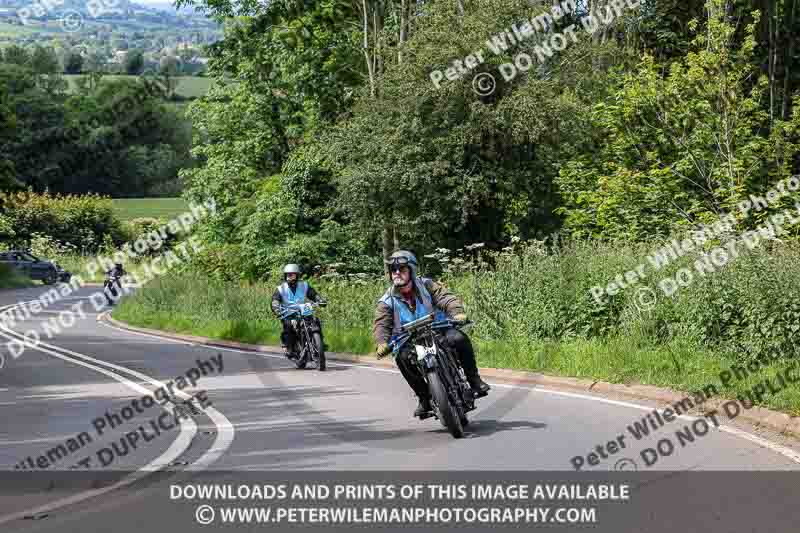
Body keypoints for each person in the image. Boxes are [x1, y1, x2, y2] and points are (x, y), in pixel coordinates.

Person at [373, 250, 490, 418]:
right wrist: (381, 342)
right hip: (410, 339)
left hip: (438, 329)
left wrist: (456, 312)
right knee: (402, 358)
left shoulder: (427, 285)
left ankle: (475, 381)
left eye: (402, 269)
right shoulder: (386, 301)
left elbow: (446, 298)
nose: (397, 273)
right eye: (393, 270)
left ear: (411, 271)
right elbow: (381, 324)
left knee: (458, 338)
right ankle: (424, 398)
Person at [271, 264, 326, 359]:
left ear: (297, 275)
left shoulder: (304, 285)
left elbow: (312, 294)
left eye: (292, 275)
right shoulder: (281, 288)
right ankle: (289, 347)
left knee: (315, 321)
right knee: (289, 325)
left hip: (304, 310)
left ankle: (320, 343)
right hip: (288, 312)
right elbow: (275, 299)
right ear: (285, 276)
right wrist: (276, 307)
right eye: (288, 275)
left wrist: (319, 299)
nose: (290, 277)